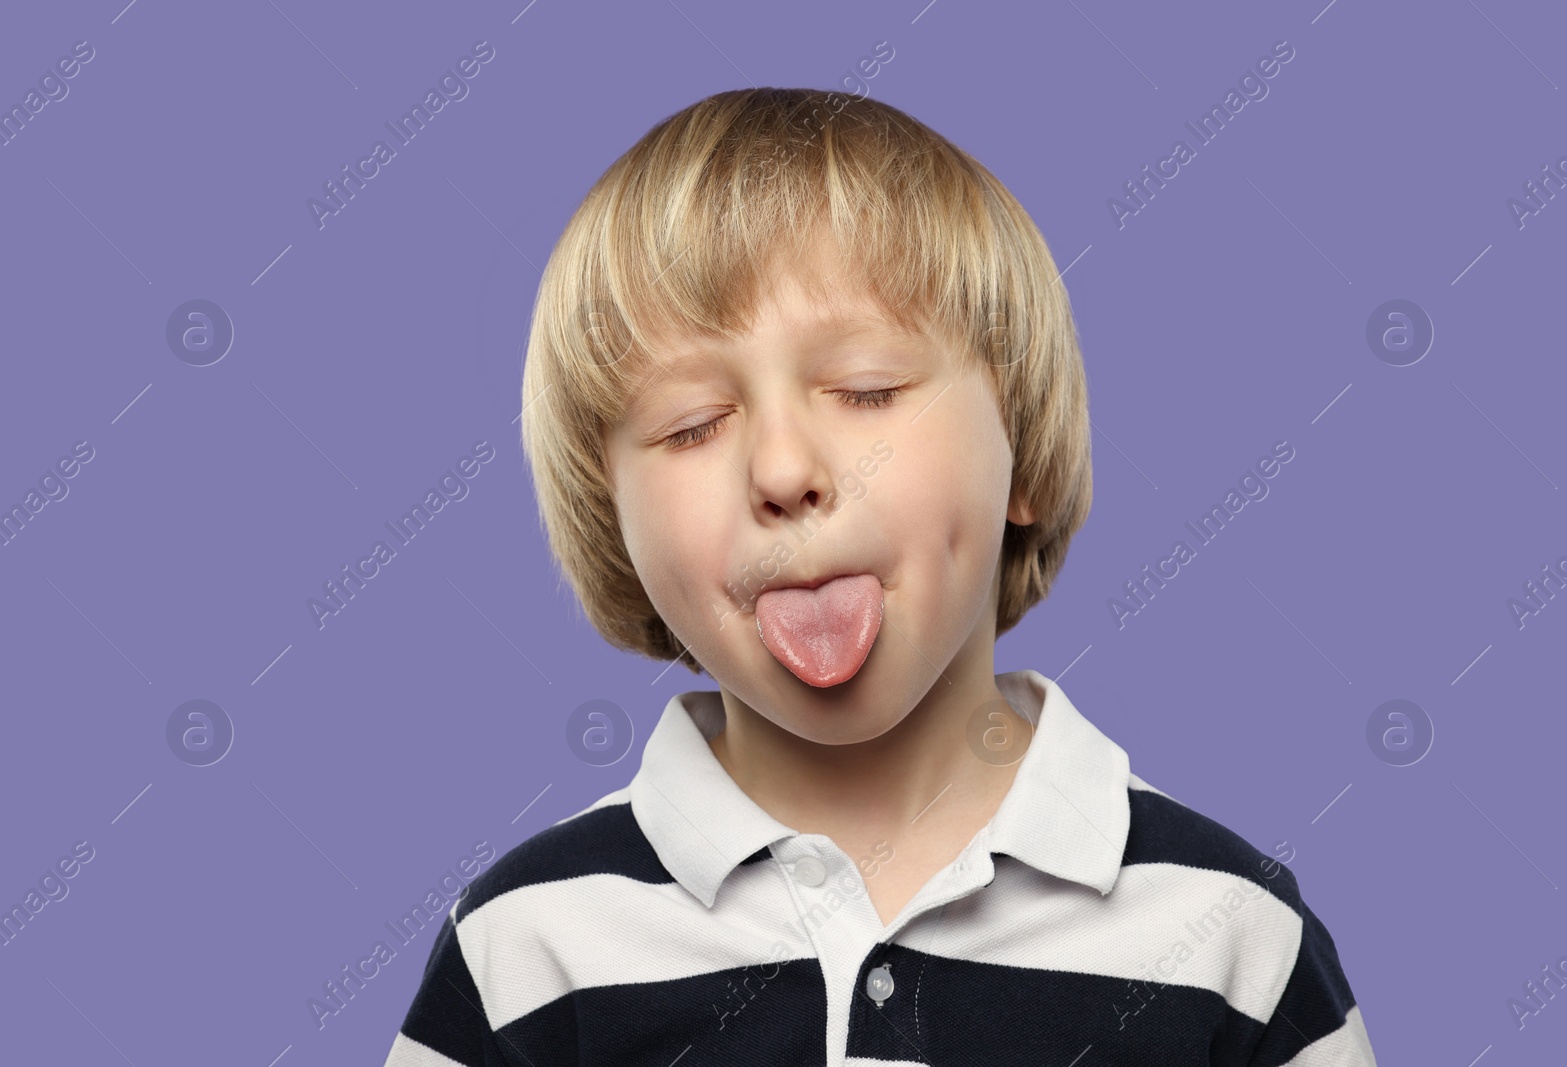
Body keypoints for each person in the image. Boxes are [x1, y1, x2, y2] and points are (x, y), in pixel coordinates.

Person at [382, 86, 1377, 1066]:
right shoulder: (525, 951)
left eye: (867, 389)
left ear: (1022, 455)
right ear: (616, 529)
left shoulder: (1232, 939)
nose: (781, 470)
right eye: (689, 424)